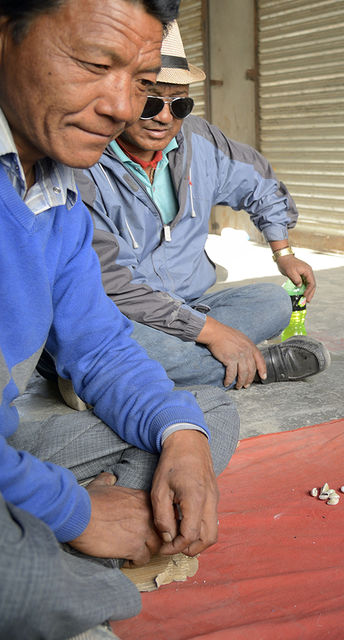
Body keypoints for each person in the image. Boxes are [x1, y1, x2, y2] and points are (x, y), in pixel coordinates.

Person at [0, 1, 241, 638]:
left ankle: (45, 535)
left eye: (139, 81)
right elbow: (128, 296)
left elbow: (102, 349)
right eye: (93, 63)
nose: (125, 107)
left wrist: (184, 445)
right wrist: (75, 510)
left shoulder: (56, 195)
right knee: (31, 590)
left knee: (202, 418)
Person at [75, 21, 329, 391]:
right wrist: (212, 332)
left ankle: (129, 374)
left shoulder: (200, 139)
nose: (165, 117)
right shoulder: (83, 158)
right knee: (101, 339)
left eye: (180, 104)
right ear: (120, 95)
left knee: (273, 300)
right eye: (149, 102)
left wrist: (283, 252)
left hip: (188, 304)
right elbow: (110, 284)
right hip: (118, 312)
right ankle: (255, 368)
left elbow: (260, 184)